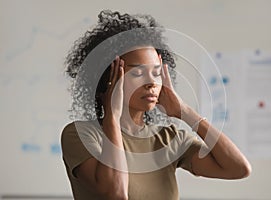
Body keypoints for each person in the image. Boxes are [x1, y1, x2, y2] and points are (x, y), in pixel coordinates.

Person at [61, 10, 251, 200]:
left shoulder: (167, 138)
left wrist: (185, 112)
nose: (151, 82)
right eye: (137, 73)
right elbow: (116, 192)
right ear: (106, 80)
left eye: (156, 72)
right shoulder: (81, 135)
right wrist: (112, 115)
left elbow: (238, 169)